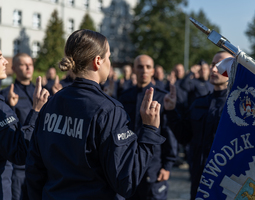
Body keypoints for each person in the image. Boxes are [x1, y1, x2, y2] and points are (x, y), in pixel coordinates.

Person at [25, 29, 166, 200]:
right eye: (109, 57)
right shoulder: (109, 110)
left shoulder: (50, 104)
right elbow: (126, 181)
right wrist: (150, 130)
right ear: (98, 61)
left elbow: (34, 168)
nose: (110, 63)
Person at [164, 51, 233, 200]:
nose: (213, 69)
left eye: (221, 65)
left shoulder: (238, 107)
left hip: (227, 183)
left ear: (233, 69)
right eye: (213, 65)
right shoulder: (199, 103)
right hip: (199, 180)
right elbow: (184, 136)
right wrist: (171, 111)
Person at [118, 55, 177, 200]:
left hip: (154, 166)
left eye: (148, 67)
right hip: (129, 164)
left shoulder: (163, 97)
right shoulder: (125, 96)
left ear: (153, 70)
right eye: (140, 66)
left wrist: (167, 165)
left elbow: (169, 131)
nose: (144, 70)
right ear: (133, 70)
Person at [0, 50, 49, 200]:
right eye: (23, 64)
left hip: (37, 166)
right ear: (15, 69)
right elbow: (16, 147)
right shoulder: (7, 94)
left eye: (30, 64)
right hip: (17, 168)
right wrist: (34, 110)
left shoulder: (40, 93)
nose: (5, 61)